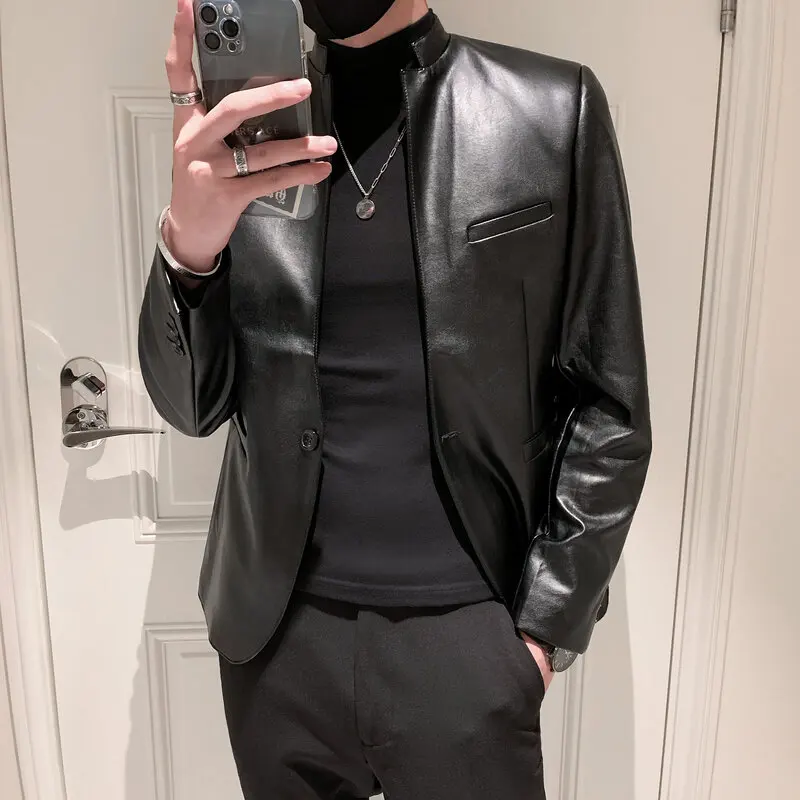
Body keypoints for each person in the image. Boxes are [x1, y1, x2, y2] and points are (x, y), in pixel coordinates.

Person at [138, 0, 652, 797]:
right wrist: (189, 246)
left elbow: (610, 404)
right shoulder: (244, 133)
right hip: (278, 645)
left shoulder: (550, 110)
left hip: (469, 640)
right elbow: (191, 408)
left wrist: (542, 631)